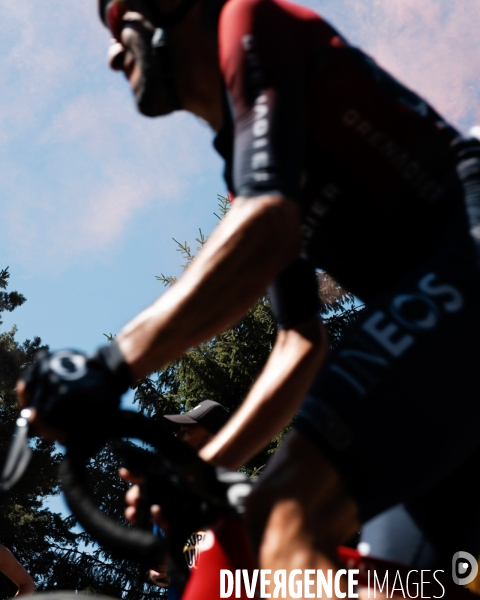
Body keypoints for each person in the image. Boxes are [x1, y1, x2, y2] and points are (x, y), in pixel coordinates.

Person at [17, 0, 480, 595]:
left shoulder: (246, 19)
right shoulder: (251, 184)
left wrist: (110, 366)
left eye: (119, 21)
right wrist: (196, 474)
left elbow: (270, 228)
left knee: (286, 514)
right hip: (448, 327)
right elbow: (300, 342)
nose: (111, 54)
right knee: (406, 581)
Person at [146, 400, 229, 590]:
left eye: (187, 432)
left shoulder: (243, 501)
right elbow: (160, 571)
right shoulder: (168, 505)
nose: (177, 437)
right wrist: (159, 574)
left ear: (214, 439)